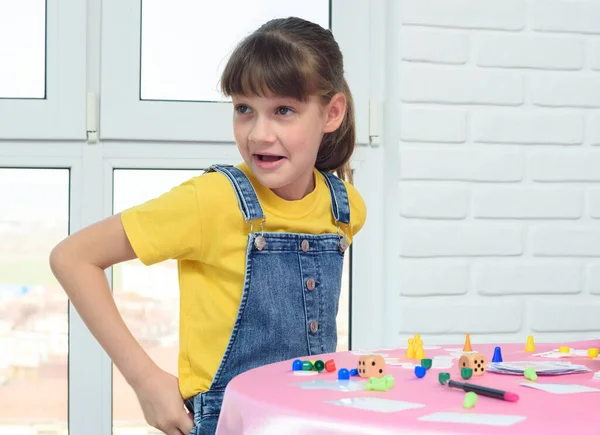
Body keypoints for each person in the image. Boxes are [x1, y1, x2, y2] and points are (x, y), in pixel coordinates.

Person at [50, 16, 367, 435]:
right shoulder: (212, 201)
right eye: (244, 110)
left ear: (332, 113)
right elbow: (72, 257)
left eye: (283, 110)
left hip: (308, 419)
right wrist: (145, 380)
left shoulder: (344, 208)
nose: (258, 134)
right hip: (224, 422)